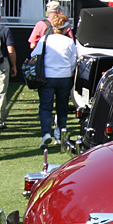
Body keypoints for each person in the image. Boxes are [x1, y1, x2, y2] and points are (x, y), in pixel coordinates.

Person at [31, 13, 77, 147]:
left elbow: (34, 54)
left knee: (45, 107)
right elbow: (73, 60)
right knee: (62, 107)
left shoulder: (45, 39)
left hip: (47, 77)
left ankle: (46, 133)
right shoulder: (69, 41)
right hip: (65, 77)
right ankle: (59, 135)